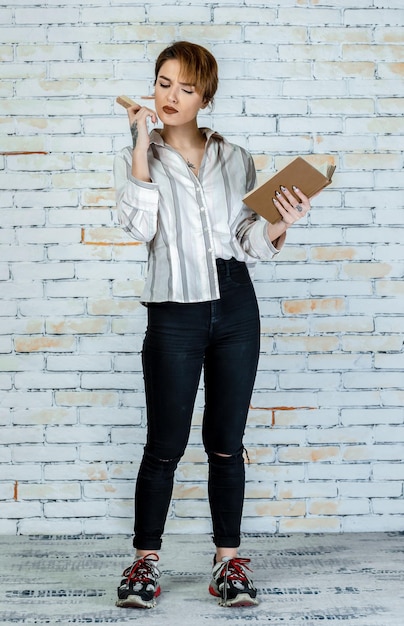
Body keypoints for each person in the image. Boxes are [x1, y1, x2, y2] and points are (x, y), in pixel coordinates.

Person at [113, 40, 311, 609]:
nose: (171, 96)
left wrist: (281, 222)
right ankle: (145, 562)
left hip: (235, 308)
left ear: (206, 96)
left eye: (187, 88)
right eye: (163, 82)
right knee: (164, 445)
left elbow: (246, 242)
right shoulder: (140, 151)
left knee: (227, 442)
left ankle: (227, 564)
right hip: (174, 311)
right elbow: (137, 224)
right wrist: (139, 145)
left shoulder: (235, 157)